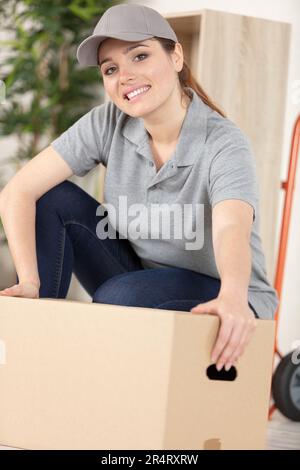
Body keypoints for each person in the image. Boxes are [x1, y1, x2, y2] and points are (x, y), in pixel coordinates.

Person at [0, 4, 278, 372]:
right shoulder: (107, 122)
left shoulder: (223, 142)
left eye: (140, 56)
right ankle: (33, 359)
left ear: (176, 56)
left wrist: (232, 297)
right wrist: (31, 282)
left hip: (222, 290)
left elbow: (232, 228)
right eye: (111, 69)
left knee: (118, 296)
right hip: (142, 280)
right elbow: (18, 191)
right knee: (53, 197)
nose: (124, 76)